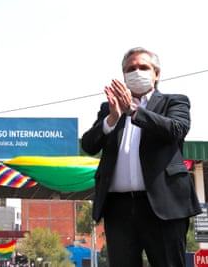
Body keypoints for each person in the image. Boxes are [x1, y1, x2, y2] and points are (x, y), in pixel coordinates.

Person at [81, 47, 201, 267]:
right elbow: (88, 144)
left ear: (156, 73)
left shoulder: (174, 102)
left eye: (143, 67)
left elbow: (176, 130)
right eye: (131, 68)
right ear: (124, 75)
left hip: (163, 207)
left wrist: (134, 111)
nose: (137, 72)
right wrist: (111, 119)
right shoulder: (109, 108)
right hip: (119, 209)